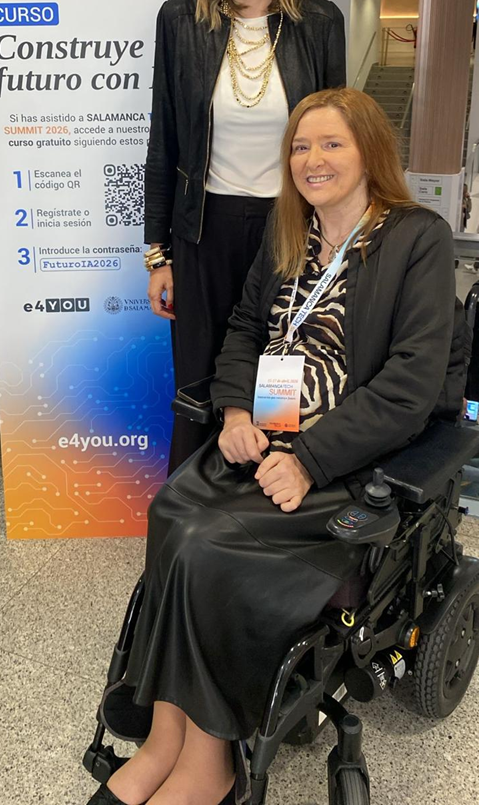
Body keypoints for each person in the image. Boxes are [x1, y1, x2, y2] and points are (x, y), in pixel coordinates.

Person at [87, 88, 467, 805]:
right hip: (267, 435)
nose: (312, 159)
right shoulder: (289, 231)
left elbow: (411, 387)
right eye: (299, 146)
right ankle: (168, 735)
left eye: (331, 144)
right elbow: (241, 329)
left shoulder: (417, 238)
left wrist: (310, 460)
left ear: (369, 153)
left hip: (353, 459)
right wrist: (234, 410)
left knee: (209, 547)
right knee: (173, 511)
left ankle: (209, 765)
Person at [144, 0, 347, 473]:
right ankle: (190, 522)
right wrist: (158, 253)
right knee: (202, 382)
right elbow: (164, 142)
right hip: (203, 232)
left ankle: (265, 517)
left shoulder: (321, 23)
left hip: (291, 231)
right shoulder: (181, 20)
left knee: (278, 380)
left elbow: (340, 144)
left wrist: (337, 243)